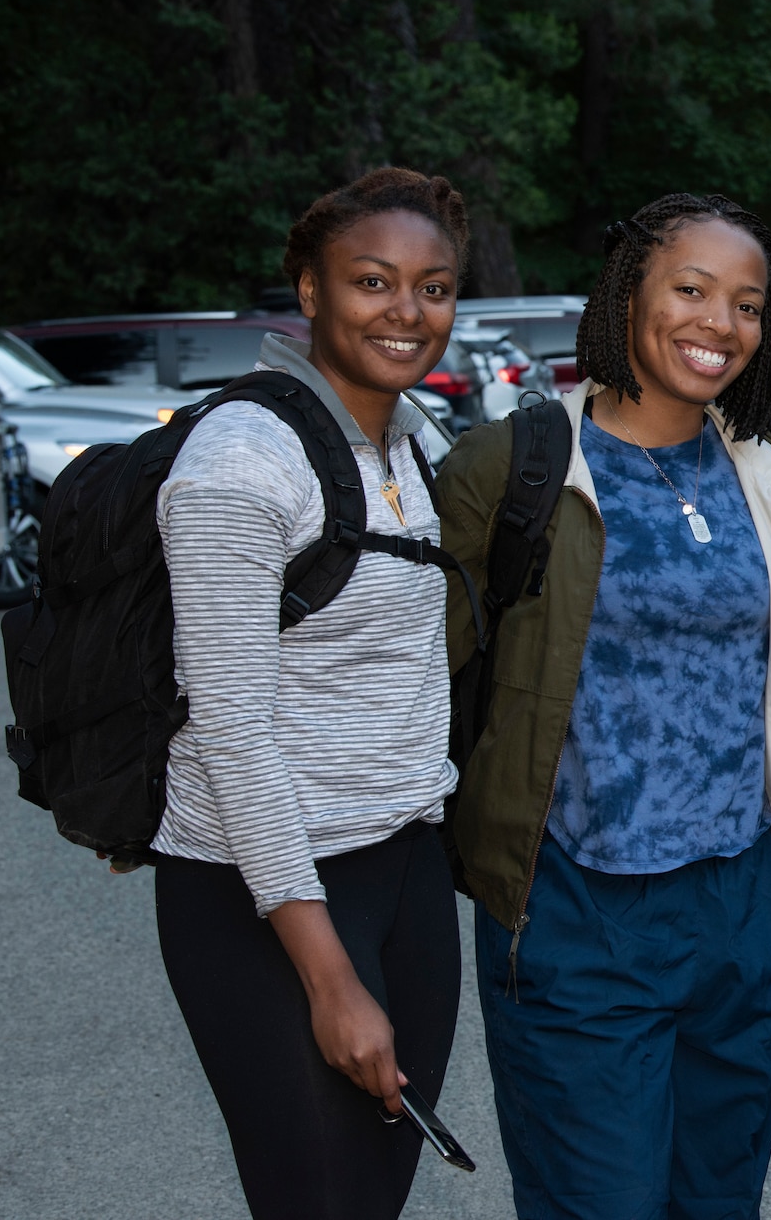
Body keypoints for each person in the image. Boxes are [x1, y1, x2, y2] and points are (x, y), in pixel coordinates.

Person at [435, 193, 771, 1219]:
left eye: (745, 304)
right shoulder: (509, 468)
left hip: (739, 905)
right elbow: (404, 672)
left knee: (716, 1203)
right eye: (689, 290)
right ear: (625, 294)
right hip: (575, 907)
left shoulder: (768, 467)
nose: (718, 324)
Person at [150, 167, 469, 1219]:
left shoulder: (408, 441)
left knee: (371, 1197)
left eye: (433, 286)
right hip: (267, 899)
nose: (406, 311)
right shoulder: (237, 465)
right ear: (310, 292)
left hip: (404, 866)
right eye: (372, 282)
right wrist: (329, 981)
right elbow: (230, 732)